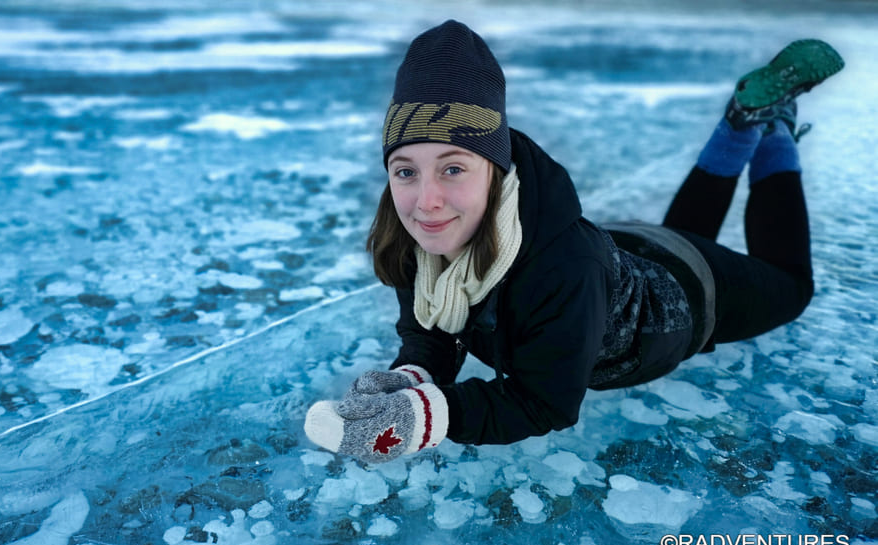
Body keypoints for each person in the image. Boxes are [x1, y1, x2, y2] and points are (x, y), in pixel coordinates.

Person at [304, 21, 844, 463]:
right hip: (629, 252)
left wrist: (424, 416)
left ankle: (770, 135)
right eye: (405, 171)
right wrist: (409, 379)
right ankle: (741, 122)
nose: (426, 202)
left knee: (791, 287)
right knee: (690, 236)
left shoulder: (561, 270)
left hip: (690, 293)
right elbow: (433, 330)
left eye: (452, 168)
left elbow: (545, 401)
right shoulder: (418, 242)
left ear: (495, 169)